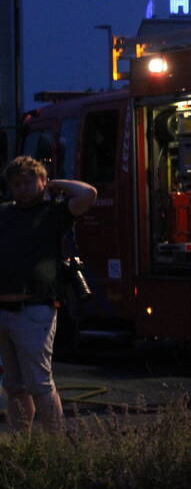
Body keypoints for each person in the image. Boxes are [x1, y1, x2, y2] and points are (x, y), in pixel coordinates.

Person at [0, 155, 96, 433]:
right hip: (3, 311)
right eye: (17, 184)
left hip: (35, 309)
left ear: (43, 182)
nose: (23, 188)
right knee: (15, 386)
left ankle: (56, 449)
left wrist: (55, 185)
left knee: (39, 383)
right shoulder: (4, 213)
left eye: (30, 182)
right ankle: (23, 445)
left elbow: (88, 194)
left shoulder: (55, 212)